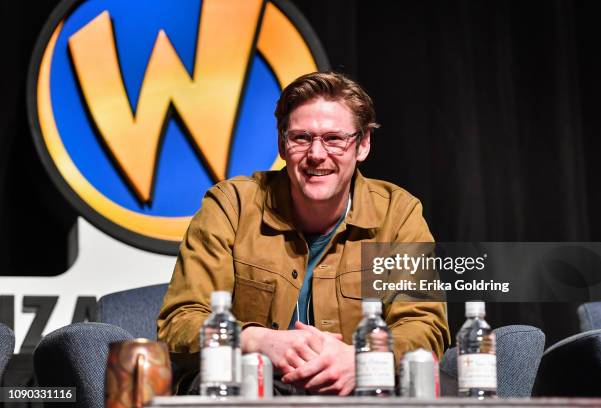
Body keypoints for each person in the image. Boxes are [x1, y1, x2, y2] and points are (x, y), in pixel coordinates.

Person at [157, 71, 450, 395]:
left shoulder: (398, 213)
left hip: (358, 392)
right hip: (253, 390)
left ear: (363, 144)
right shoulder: (231, 207)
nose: (316, 154)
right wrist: (256, 341)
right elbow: (179, 323)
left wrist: (362, 360)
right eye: (301, 138)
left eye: (334, 139)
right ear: (282, 144)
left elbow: (425, 325)